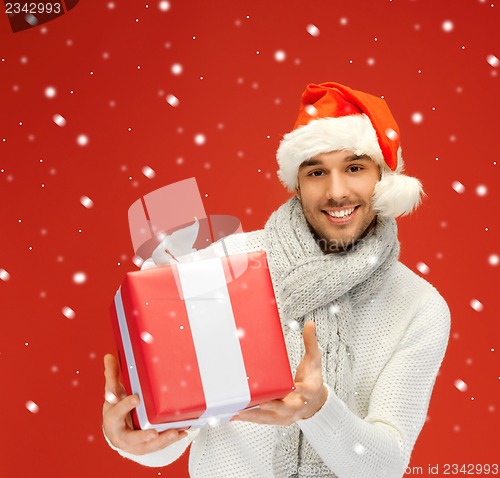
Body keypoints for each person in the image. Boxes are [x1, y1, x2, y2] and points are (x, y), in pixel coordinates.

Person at [102, 82, 450, 478]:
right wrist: (132, 434)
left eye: (354, 168)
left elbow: (383, 467)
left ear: (383, 179)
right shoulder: (222, 265)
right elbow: (172, 435)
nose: (336, 192)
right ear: (296, 185)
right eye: (317, 171)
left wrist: (319, 409)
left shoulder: (419, 307)